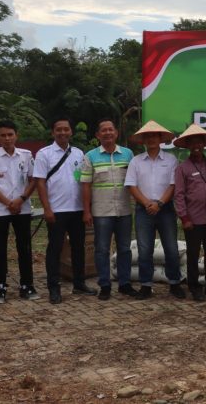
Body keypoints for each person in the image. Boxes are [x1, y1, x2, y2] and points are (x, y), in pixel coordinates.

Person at [33, 117, 96, 304]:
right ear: (53, 132)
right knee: (55, 249)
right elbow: (40, 183)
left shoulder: (78, 153)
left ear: (71, 132)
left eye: (66, 129)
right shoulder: (44, 154)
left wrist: (86, 209)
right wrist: (47, 208)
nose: (62, 132)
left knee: (78, 248)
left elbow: (84, 181)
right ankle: (54, 288)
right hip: (56, 211)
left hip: (77, 210)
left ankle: (79, 283)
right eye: (58, 130)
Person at [124, 120, 185, 300]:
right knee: (144, 250)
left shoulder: (171, 159)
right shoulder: (136, 161)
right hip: (143, 211)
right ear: (143, 140)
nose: (151, 139)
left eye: (154, 135)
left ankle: (174, 283)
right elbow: (131, 186)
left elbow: (173, 185)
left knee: (172, 249)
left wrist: (159, 203)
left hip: (165, 209)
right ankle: (145, 285)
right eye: (147, 136)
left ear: (160, 139)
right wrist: (147, 203)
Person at [0, 119, 37, 303]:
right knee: (0, 249)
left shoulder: (26, 155)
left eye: (10, 134)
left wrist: (20, 200)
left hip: (22, 207)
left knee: (24, 247)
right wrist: (8, 202)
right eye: (3, 135)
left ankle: (27, 284)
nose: (7, 138)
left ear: (16, 135)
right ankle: (0, 286)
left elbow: (33, 180)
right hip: (1, 210)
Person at [81, 118, 136, 300]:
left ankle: (125, 284)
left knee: (125, 249)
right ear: (98, 135)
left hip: (124, 210)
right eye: (103, 130)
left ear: (116, 133)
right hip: (101, 211)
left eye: (110, 130)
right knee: (102, 249)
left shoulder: (128, 154)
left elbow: (134, 181)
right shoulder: (90, 156)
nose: (107, 133)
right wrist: (86, 211)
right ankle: (104, 284)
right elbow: (86, 185)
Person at [174, 123, 206, 302]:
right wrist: (184, 217)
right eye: (192, 142)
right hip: (192, 219)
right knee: (193, 254)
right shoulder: (182, 168)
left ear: (204, 144)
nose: (196, 145)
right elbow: (178, 195)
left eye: (199, 142)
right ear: (187, 145)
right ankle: (194, 286)